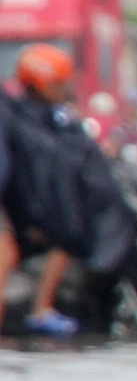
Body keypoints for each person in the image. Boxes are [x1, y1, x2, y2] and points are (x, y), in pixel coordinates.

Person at [0, 43, 84, 336]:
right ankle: (40, 309)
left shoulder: (49, 118)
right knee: (6, 250)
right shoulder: (13, 113)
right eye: (57, 84)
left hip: (22, 201)